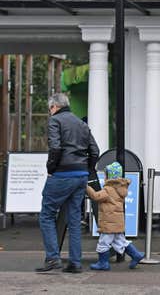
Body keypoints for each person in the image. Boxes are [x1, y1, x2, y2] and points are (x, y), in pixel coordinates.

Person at [36, 93, 100, 273]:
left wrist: (51, 169)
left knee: (47, 215)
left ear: (54, 107)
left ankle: (52, 259)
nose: (50, 112)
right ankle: (75, 263)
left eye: (50, 109)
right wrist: (87, 169)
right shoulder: (81, 124)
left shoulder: (55, 121)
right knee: (74, 219)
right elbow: (95, 151)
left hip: (62, 174)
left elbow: (55, 147)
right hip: (81, 175)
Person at [85, 162, 144, 271]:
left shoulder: (108, 189)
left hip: (109, 223)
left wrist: (86, 186)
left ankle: (103, 263)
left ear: (109, 176)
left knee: (103, 243)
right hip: (117, 222)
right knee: (121, 241)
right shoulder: (120, 188)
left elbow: (96, 196)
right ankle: (136, 255)